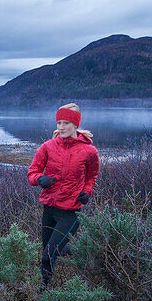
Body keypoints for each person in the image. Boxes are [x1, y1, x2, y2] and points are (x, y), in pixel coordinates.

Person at [27, 103, 100, 287]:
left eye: (66, 123)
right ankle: (70, 248)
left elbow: (92, 176)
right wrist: (40, 179)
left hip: (71, 211)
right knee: (50, 250)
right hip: (49, 208)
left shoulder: (89, 151)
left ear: (75, 124)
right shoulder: (48, 147)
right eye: (59, 122)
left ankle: (42, 292)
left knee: (47, 255)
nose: (61, 127)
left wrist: (86, 192)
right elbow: (32, 173)